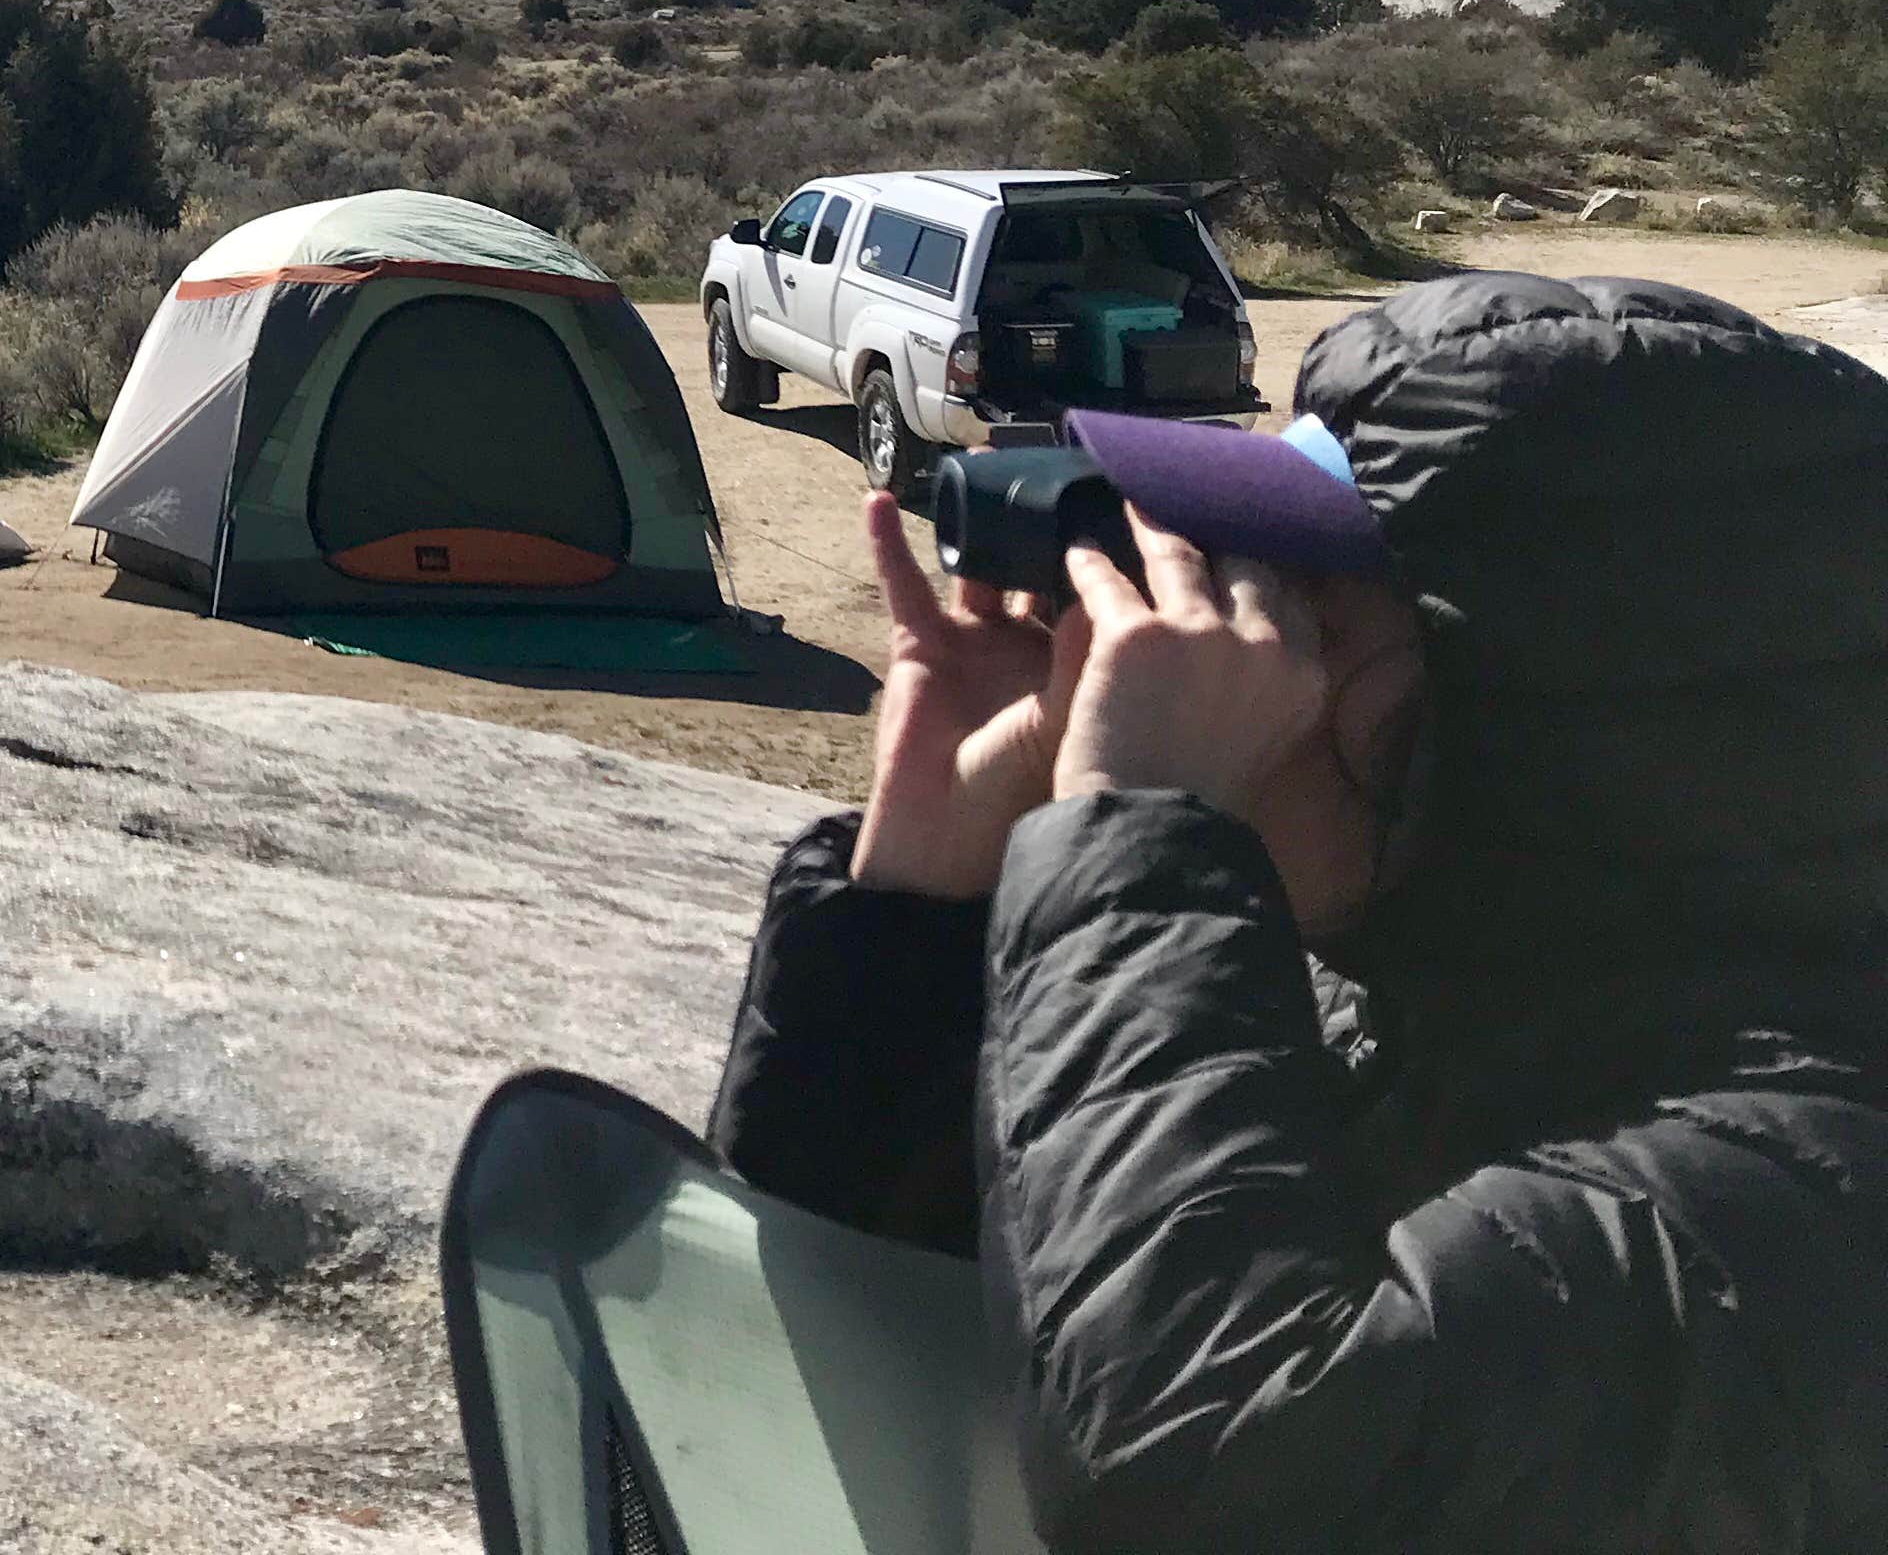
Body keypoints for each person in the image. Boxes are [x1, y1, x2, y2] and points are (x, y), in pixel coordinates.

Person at [708, 274, 1888, 1550]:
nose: (1193, 635)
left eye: (1279, 605)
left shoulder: (1804, 1186)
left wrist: (1139, 832)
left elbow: (1220, 1472)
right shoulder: (1374, 997)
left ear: (1512, 727)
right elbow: (872, 1340)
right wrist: (923, 912)